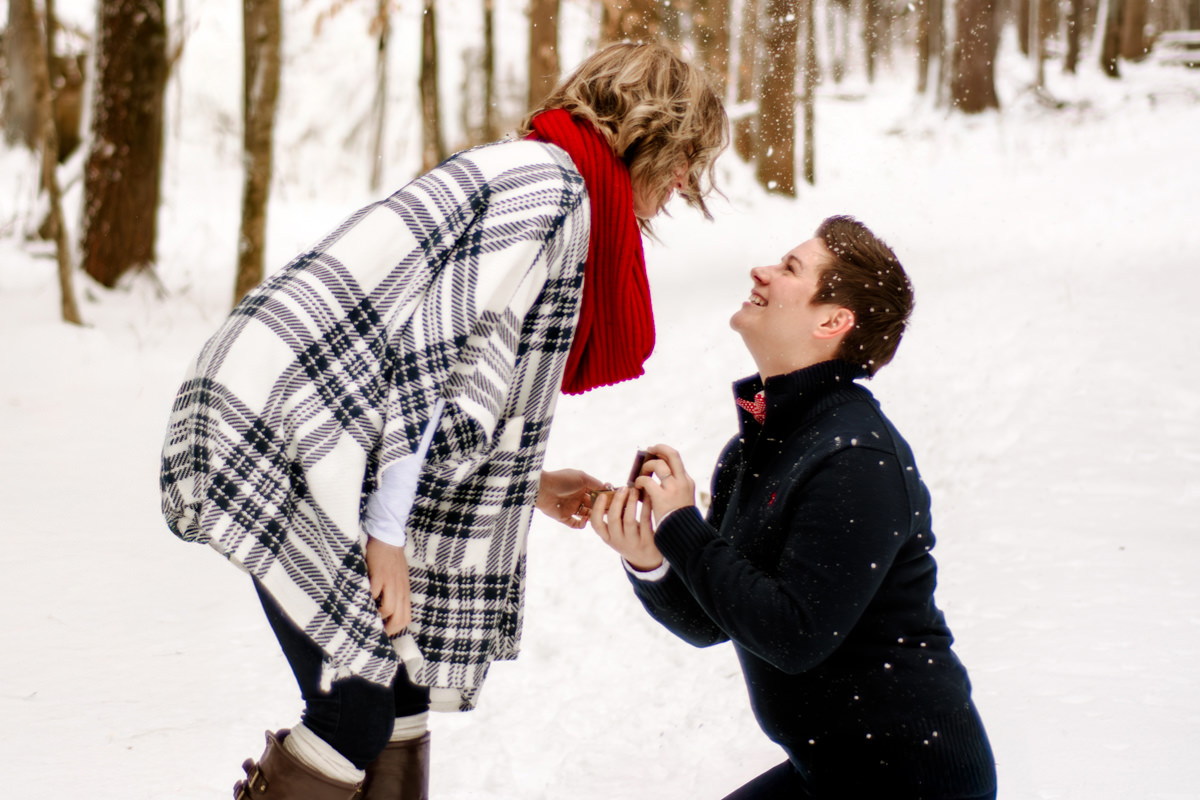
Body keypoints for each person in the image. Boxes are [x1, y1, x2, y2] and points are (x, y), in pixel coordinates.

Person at [159, 42, 727, 800]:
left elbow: (460, 367)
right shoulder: (551, 188)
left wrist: (528, 484)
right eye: (685, 155)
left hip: (305, 418)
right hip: (281, 423)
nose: (686, 180)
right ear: (647, 131)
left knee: (399, 698)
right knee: (354, 705)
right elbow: (438, 363)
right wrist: (385, 535)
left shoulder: (549, 176)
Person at [590, 216, 997, 799]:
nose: (762, 271)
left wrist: (683, 525)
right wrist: (650, 559)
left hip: (912, 779)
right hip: (832, 771)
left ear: (833, 322)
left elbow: (793, 635)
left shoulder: (855, 456)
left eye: (790, 269)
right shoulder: (760, 444)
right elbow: (713, 620)